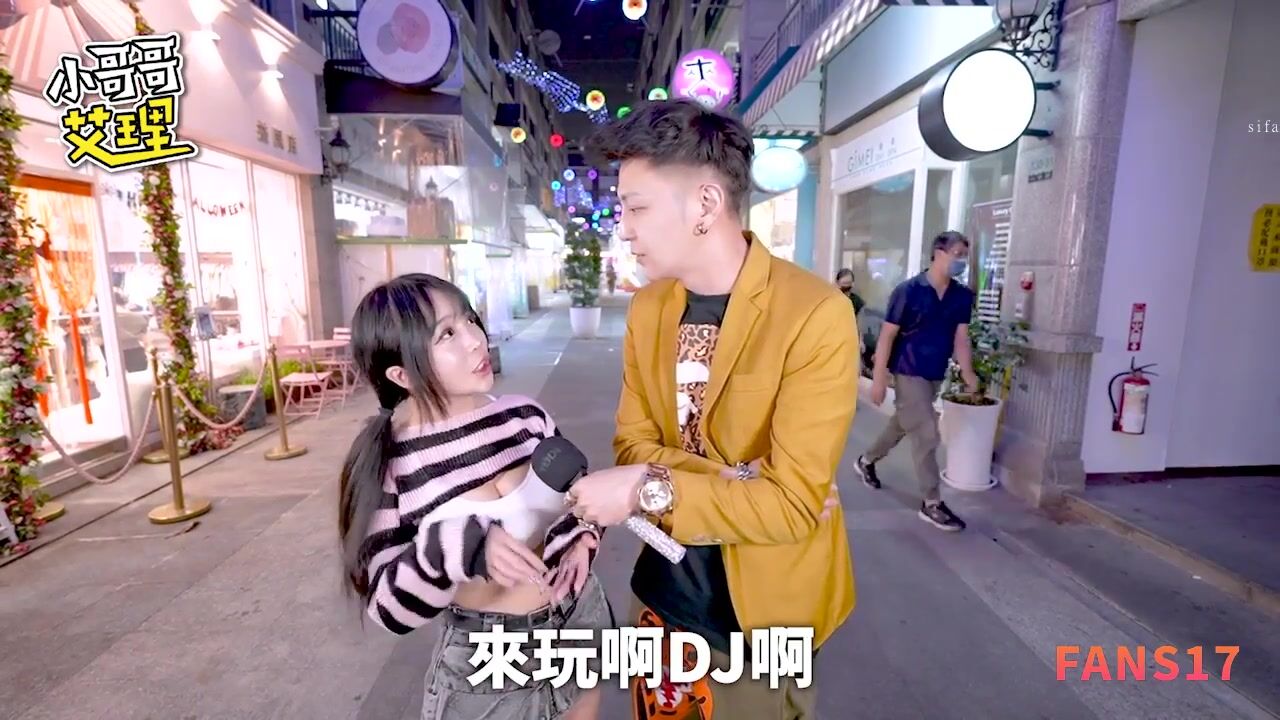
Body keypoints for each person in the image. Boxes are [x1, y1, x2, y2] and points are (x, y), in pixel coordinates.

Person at [568, 100, 856, 720]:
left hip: (757, 619)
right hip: (662, 594)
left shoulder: (814, 314)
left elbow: (789, 507)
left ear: (704, 204)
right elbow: (631, 444)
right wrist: (740, 478)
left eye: (637, 208)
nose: (624, 228)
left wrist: (646, 486)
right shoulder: (649, 309)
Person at [337, 273, 610, 720]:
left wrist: (581, 540)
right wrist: (459, 547)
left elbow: (577, 495)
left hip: (579, 615)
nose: (475, 340)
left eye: (468, 319)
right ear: (402, 374)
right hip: (490, 657)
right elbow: (387, 608)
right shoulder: (391, 463)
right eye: (446, 334)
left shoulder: (525, 416)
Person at [854, 231, 979, 532]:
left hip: (935, 372)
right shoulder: (908, 291)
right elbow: (887, 335)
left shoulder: (962, 296)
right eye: (957, 254)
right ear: (938, 253)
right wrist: (879, 378)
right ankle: (931, 502)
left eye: (965, 256)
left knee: (903, 422)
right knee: (926, 433)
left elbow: (961, 338)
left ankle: (866, 460)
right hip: (908, 369)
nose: (961, 261)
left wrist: (968, 372)